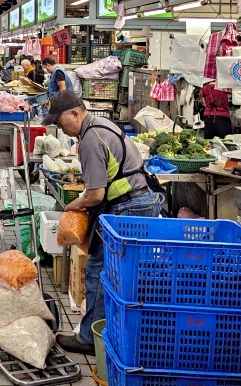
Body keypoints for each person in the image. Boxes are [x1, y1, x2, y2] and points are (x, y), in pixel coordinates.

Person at [43, 91, 164, 355]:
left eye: (61, 122)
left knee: (100, 268)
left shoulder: (89, 139)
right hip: (141, 201)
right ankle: (119, 331)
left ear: (75, 113)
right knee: (127, 271)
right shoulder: (102, 125)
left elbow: (95, 194)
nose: (60, 128)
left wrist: (75, 204)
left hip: (128, 206)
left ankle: (89, 337)